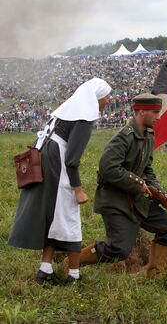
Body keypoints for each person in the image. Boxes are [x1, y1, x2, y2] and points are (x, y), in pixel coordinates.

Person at [8, 77, 112, 285]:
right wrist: (78, 189)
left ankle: (45, 269)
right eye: (106, 96)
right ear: (96, 98)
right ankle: (74, 274)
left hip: (46, 161)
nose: (108, 100)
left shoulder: (64, 112)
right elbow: (72, 159)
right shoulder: (83, 117)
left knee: (53, 218)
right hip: (58, 166)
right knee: (68, 217)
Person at [62, 93, 167, 278]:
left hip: (137, 200)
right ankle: (69, 264)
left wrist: (160, 192)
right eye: (155, 112)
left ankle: (155, 276)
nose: (159, 116)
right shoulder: (123, 138)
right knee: (118, 250)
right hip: (115, 201)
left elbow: (147, 169)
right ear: (141, 112)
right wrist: (138, 183)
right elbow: (108, 168)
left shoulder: (149, 135)